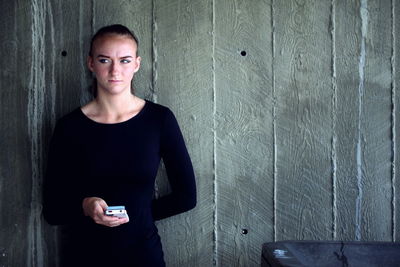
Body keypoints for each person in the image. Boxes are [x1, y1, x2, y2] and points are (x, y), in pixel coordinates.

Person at [43, 24, 196, 267]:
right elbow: (52, 210)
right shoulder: (69, 126)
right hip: (83, 256)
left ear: (136, 64)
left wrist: (138, 216)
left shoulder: (159, 119)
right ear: (91, 63)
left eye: (124, 60)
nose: (115, 70)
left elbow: (186, 197)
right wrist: (85, 206)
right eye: (105, 60)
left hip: (143, 256)